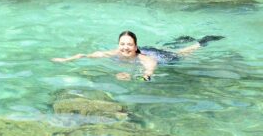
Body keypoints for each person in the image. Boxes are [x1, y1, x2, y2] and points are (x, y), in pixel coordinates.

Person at [51, 30, 223, 81]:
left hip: (160, 57)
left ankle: (202, 42)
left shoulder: (143, 58)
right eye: (122, 44)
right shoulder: (114, 52)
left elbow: (149, 71)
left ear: (135, 46)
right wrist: (66, 60)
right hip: (148, 48)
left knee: (179, 54)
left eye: (129, 45)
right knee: (167, 46)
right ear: (119, 45)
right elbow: (84, 55)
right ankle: (181, 39)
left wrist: (136, 76)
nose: (125, 48)